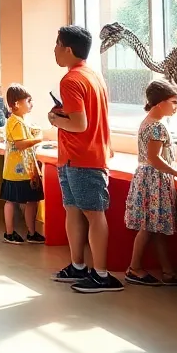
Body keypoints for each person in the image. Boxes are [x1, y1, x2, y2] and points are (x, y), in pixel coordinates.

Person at [48, 25, 119, 293]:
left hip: (84, 157)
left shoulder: (71, 80)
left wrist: (55, 118)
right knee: (74, 210)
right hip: (74, 157)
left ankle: (101, 274)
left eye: (57, 45)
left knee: (93, 213)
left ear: (67, 48)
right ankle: (77, 265)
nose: (54, 50)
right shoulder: (93, 76)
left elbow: (79, 124)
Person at [125, 81, 177, 287]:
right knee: (148, 227)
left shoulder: (148, 121)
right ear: (159, 103)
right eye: (173, 102)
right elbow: (154, 158)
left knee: (155, 228)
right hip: (154, 179)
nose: (176, 107)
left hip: (148, 176)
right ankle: (134, 268)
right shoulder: (157, 126)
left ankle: (168, 272)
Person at [1, 84, 46, 245]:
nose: (31, 104)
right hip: (18, 171)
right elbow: (20, 144)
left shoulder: (21, 121)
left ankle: (30, 232)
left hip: (25, 170)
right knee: (14, 201)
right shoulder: (16, 122)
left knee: (29, 200)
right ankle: (11, 232)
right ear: (17, 104)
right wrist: (38, 138)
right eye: (28, 100)